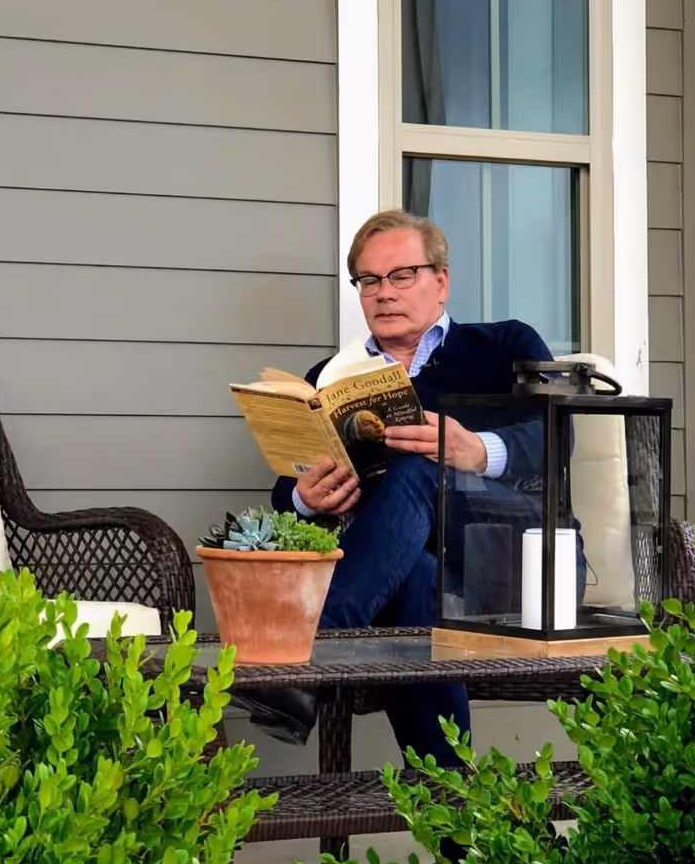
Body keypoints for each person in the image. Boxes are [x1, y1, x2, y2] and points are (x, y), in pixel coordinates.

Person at [235, 208, 577, 767]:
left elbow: (558, 438)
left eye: (402, 275)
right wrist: (305, 498)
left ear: (441, 281)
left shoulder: (504, 345)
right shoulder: (331, 376)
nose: (384, 292)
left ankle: (308, 660)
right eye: (369, 280)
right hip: (399, 576)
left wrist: (475, 450)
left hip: (511, 561)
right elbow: (286, 488)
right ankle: (454, 808)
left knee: (419, 467)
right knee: (416, 576)